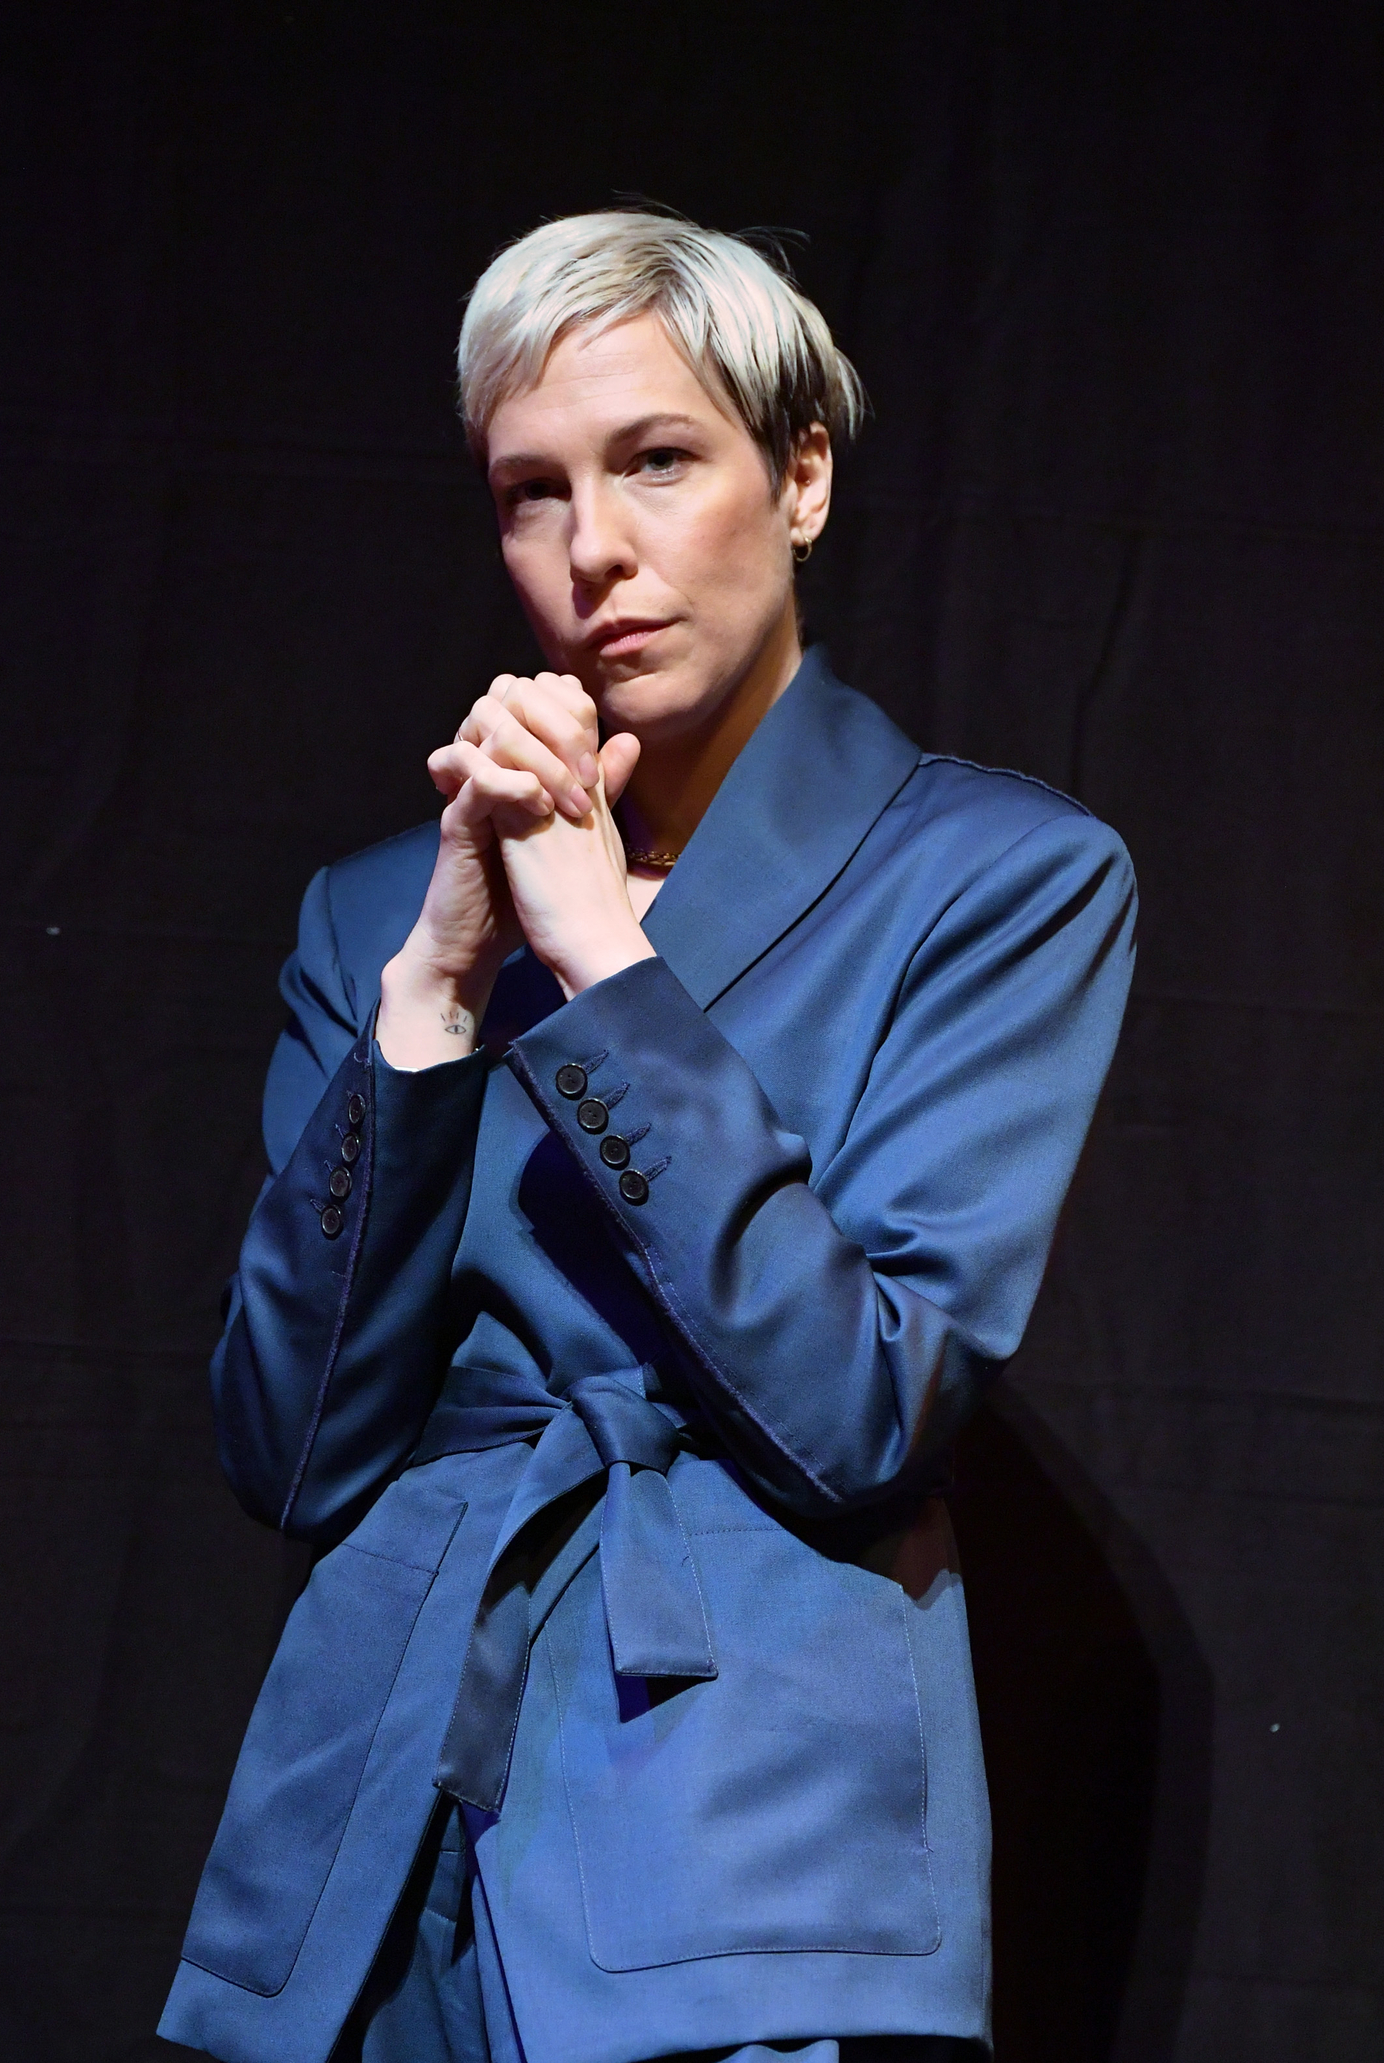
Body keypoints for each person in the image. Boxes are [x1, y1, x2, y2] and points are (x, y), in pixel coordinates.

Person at [159, 211, 1135, 2063]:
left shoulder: (997, 878)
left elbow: (861, 1411)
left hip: (740, 1843)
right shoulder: (378, 916)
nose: (592, 549)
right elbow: (286, 1461)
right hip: (369, 1829)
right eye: (531, 494)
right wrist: (438, 998)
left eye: (657, 461)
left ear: (804, 475)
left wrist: (603, 960)